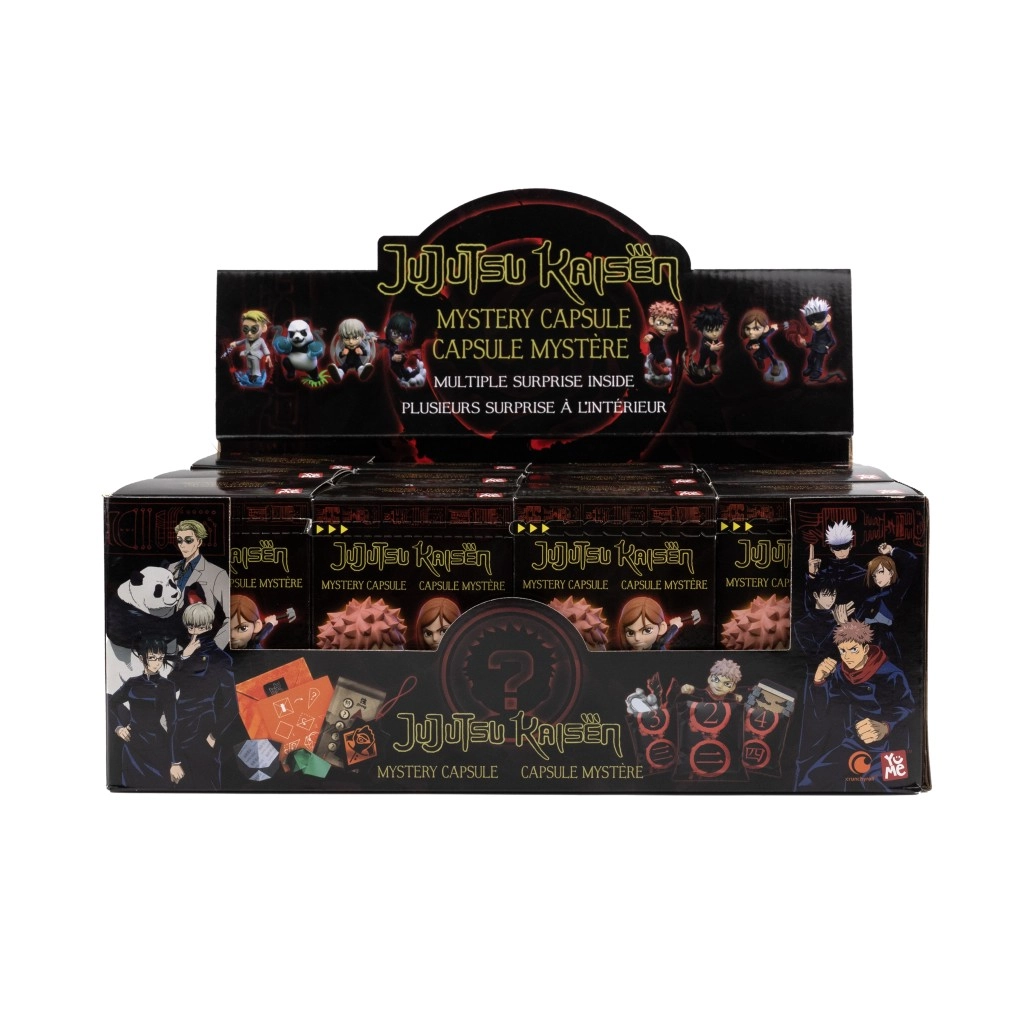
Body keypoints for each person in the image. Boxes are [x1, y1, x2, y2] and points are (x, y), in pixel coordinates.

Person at [796, 621, 914, 791]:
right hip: (856, 742)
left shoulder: (891, 674)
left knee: (883, 786)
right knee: (812, 780)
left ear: (865, 649)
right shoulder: (840, 673)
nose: (847, 656)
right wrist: (819, 681)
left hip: (893, 745)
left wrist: (885, 727)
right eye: (843, 651)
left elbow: (907, 708)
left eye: (853, 650)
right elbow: (824, 710)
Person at [169, 603, 236, 790]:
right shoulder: (185, 654)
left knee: (207, 784)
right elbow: (170, 687)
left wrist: (214, 735)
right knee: (179, 786)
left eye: (199, 626)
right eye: (190, 626)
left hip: (204, 727)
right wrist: (183, 657)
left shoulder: (221, 658)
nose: (193, 631)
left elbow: (232, 704)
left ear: (209, 626)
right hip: (179, 726)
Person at [108, 639, 176, 790]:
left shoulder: (167, 686)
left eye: (160, 658)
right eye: (152, 657)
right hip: (132, 746)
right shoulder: (132, 683)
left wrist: (175, 762)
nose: (157, 662)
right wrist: (118, 727)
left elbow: (173, 724)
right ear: (141, 658)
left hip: (158, 746)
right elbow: (110, 704)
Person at [169, 519, 230, 649]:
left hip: (198, 644)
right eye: (179, 540)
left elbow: (231, 617)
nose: (182, 545)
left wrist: (214, 648)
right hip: (169, 645)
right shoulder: (171, 568)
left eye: (188, 540)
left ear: (199, 542)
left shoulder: (217, 573)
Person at [616, 596, 697, 651]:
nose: (637, 638)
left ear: (662, 628)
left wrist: (675, 626)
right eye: (630, 633)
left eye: (647, 630)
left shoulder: (656, 645)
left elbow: (662, 640)